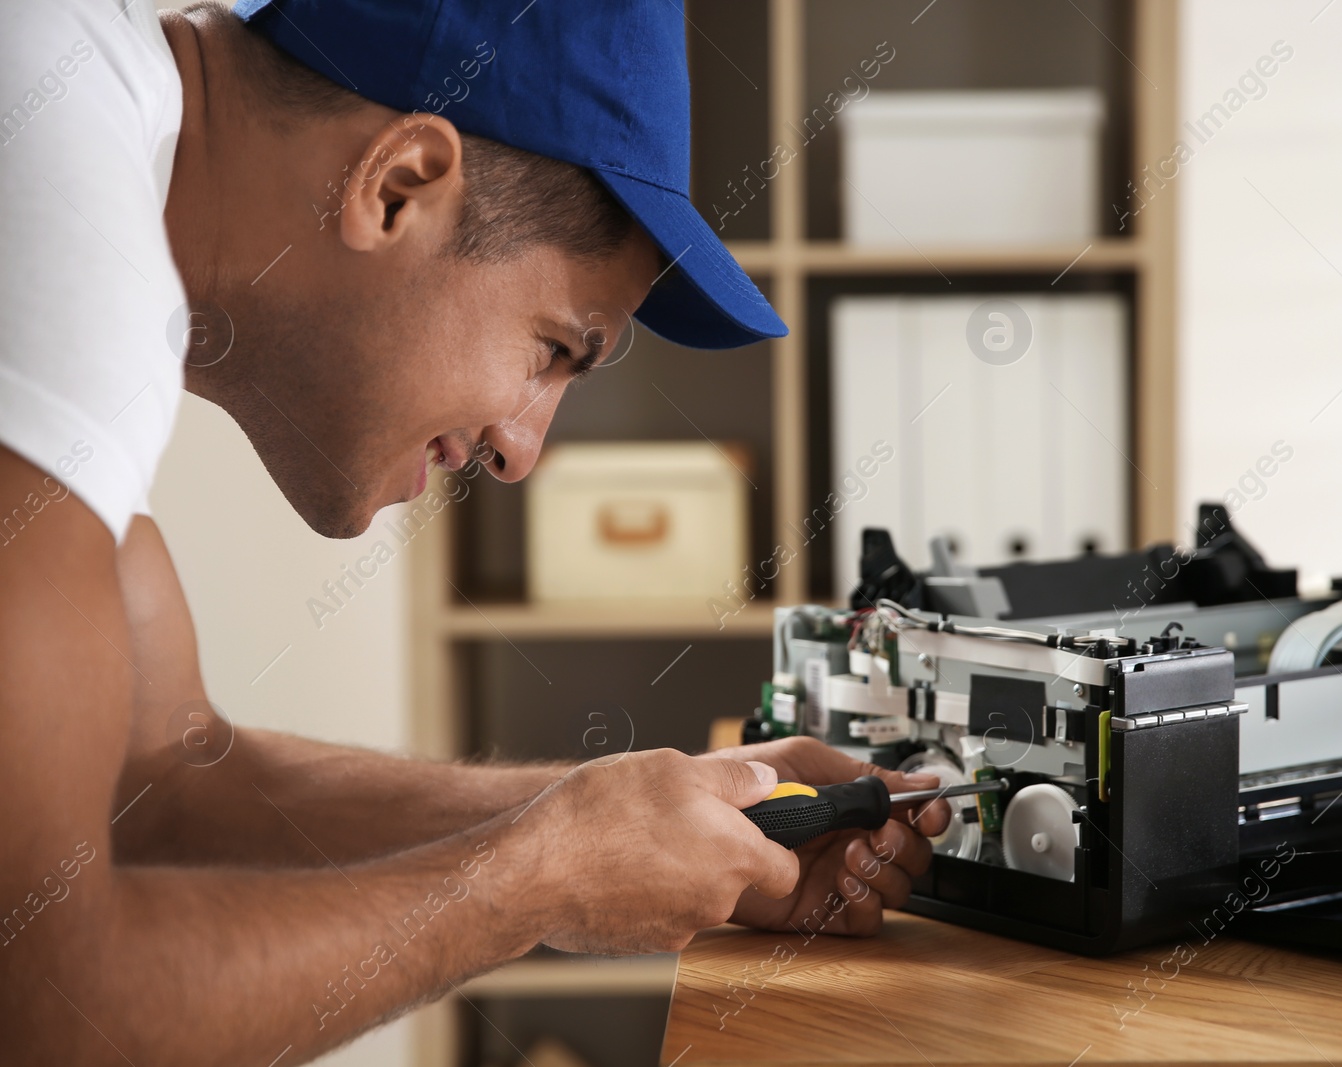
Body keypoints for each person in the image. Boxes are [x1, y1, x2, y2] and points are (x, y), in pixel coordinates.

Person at [0, 0, 950, 1061]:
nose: (521, 449)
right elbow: (45, 1004)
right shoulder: (62, 248)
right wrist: (542, 875)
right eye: (553, 348)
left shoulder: (85, 125)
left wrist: (636, 816)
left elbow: (160, 778)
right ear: (398, 186)